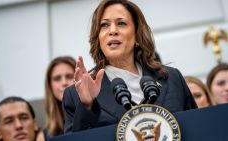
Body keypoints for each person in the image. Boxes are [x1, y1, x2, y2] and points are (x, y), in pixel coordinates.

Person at [62, 0, 197, 133]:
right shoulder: (76, 95)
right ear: (98, 38)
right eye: (104, 25)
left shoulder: (172, 78)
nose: (113, 31)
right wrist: (87, 105)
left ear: (137, 35)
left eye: (121, 23)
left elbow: (197, 128)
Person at [44, 56, 76, 137]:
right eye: (57, 78)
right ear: (50, 85)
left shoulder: (97, 117)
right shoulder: (44, 136)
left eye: (69, 76)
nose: (64, 82)